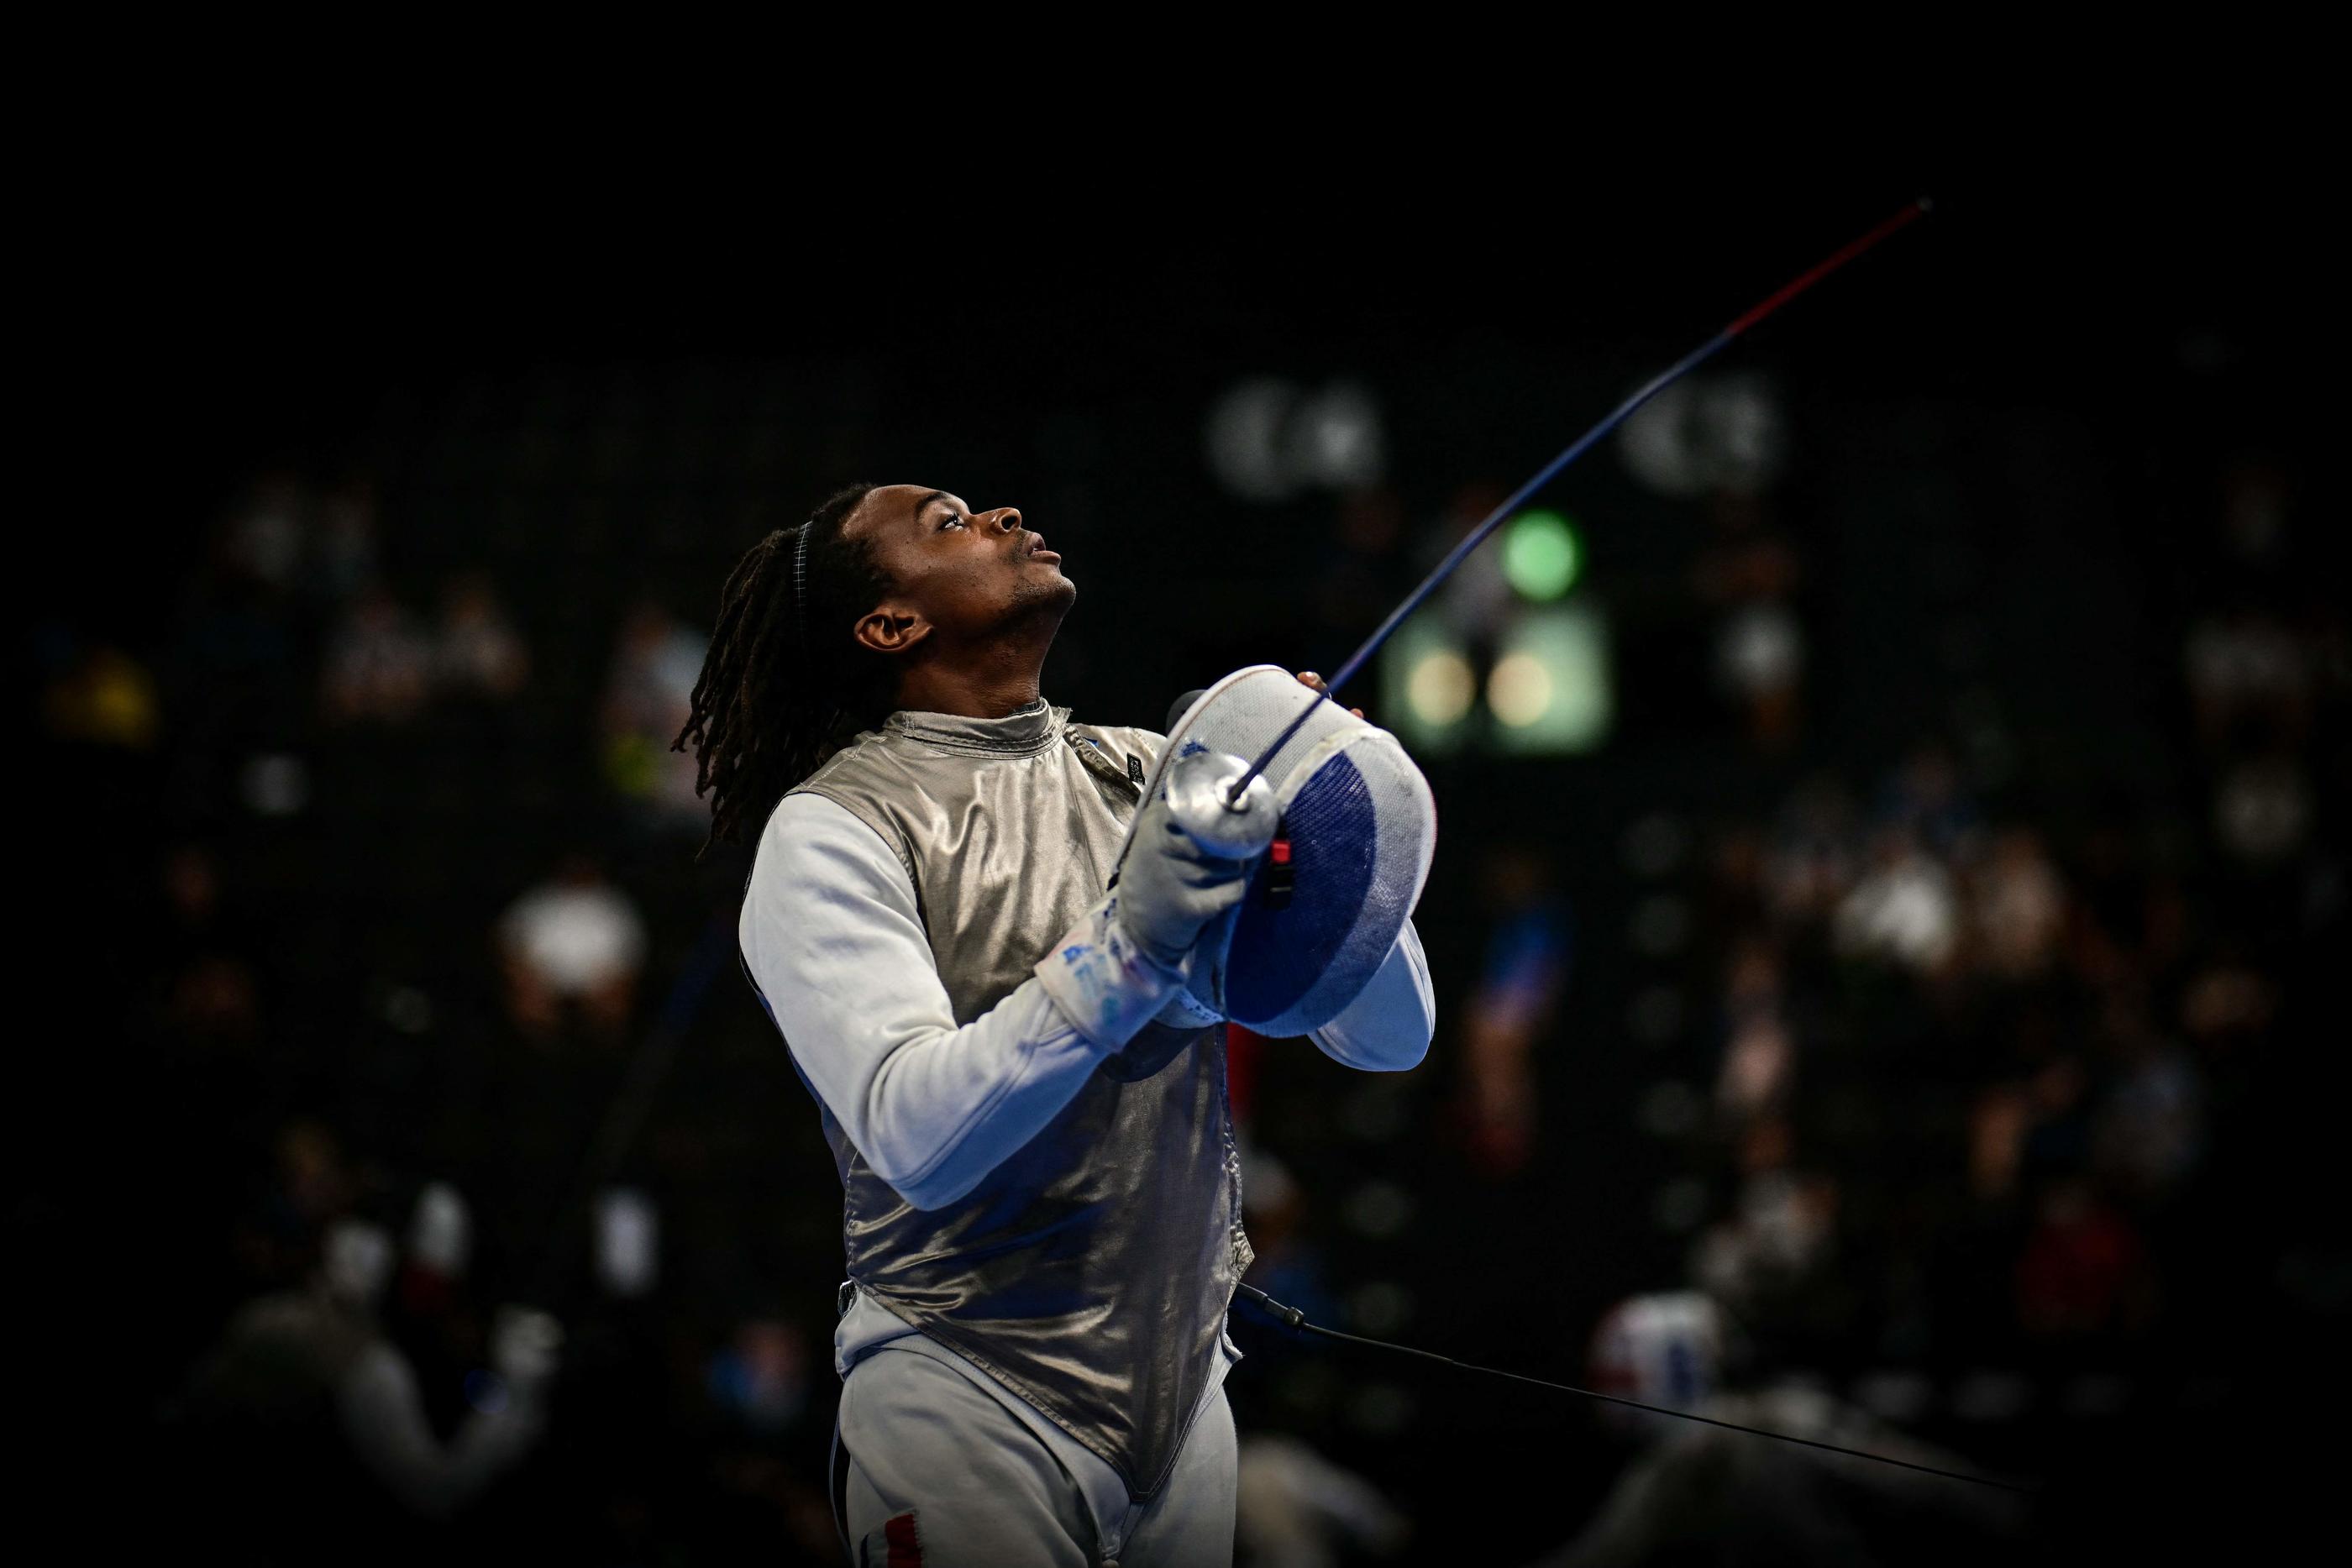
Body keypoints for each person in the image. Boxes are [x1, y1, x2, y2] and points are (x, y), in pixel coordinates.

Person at [675, 484, 1435, 1566]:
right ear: (892, 624)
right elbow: (913, 1135)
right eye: (949, 523)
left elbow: (1383, 1037)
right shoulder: (836, 829)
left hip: (1185, 1409)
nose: (999, 517)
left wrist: (1331, 835)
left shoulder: (1142, 774)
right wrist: (1130, 945)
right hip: (969, 1395)